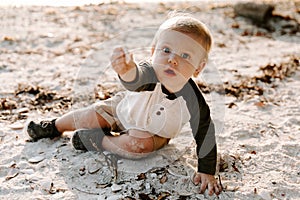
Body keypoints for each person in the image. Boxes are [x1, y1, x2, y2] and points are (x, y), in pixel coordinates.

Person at [27, 12, 222, 196]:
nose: (172, 60)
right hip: (124, 109)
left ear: (198, 68)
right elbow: (135, 78)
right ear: (153, 51)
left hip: (156, 132)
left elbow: (204, 131)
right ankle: (54, 126)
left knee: (137, 147)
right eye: (166, 50)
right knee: (88, 116)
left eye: (185, 56)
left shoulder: (193, 98)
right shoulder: (150, 72)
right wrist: (126, 70)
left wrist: (206, 170)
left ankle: (98, 140)